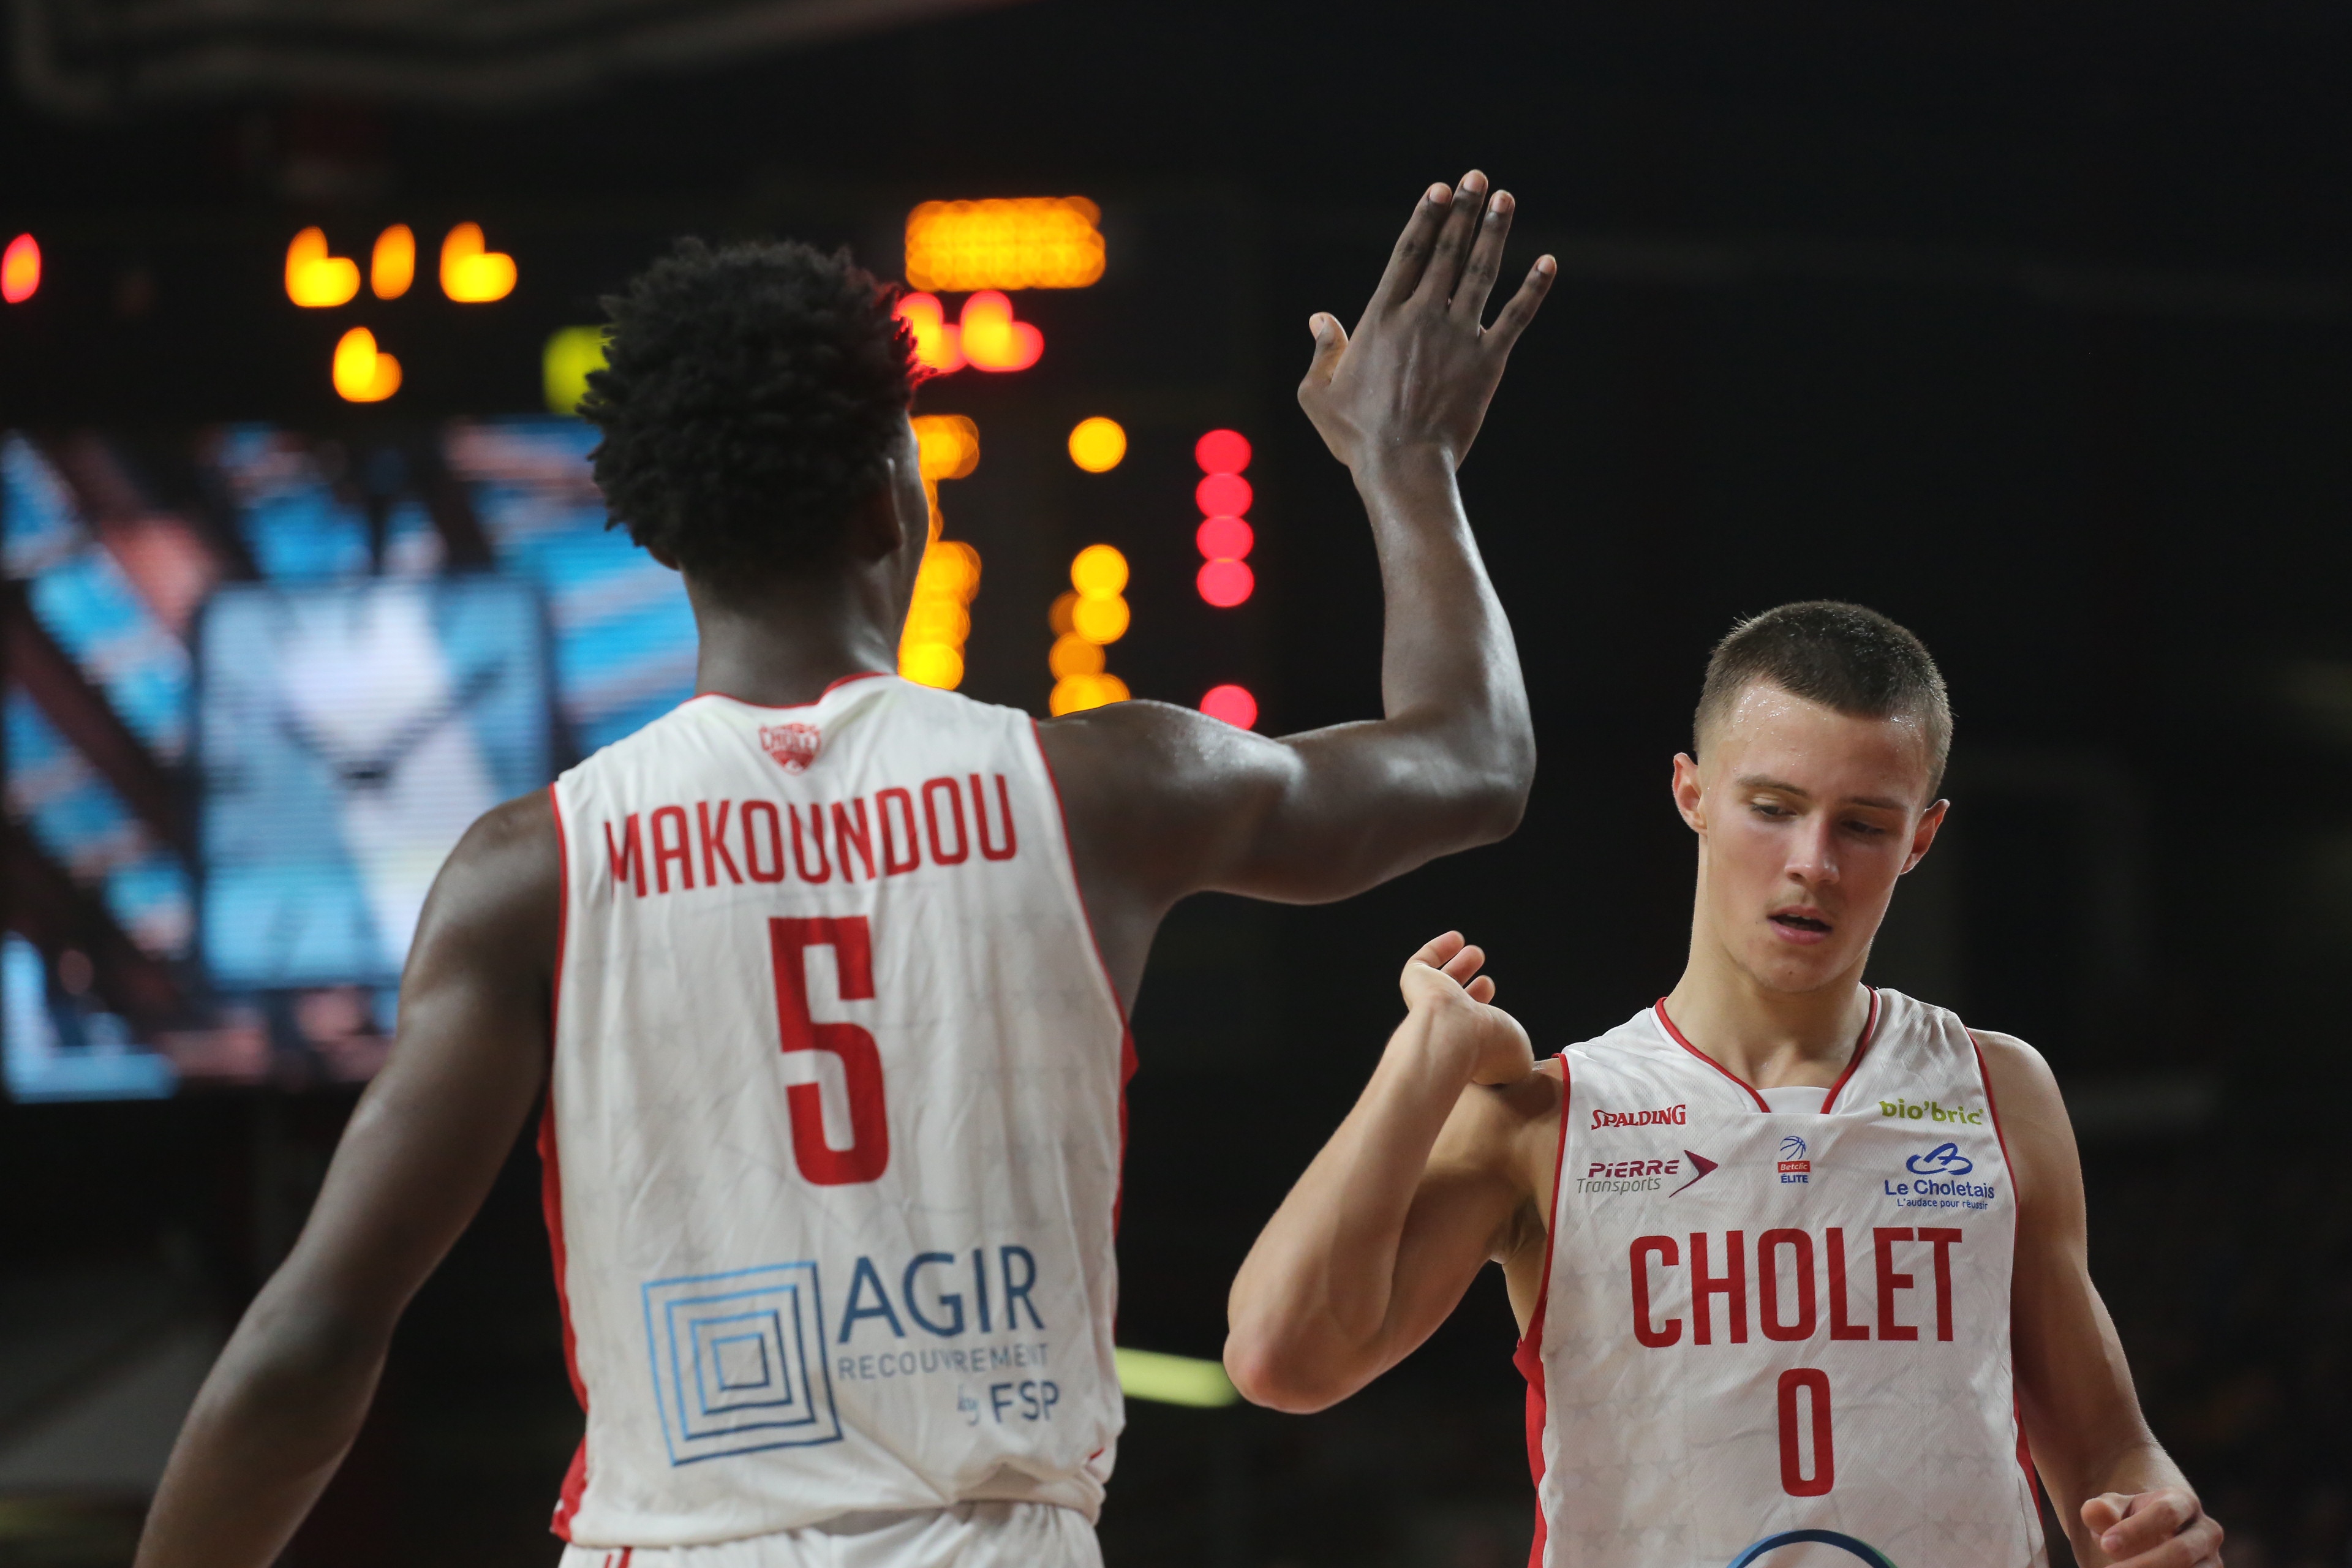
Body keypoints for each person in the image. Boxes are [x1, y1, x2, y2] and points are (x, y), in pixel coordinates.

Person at [132, 170, 1554, 1568]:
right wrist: (1404, 461)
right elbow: (1473, 763)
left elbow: (317, 1334)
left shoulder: (536, 866)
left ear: (663, 534)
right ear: (893, 500)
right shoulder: (1106, 789)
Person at [1224, 602, 2223, 1568]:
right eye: (1774, 809)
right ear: (1692, 792)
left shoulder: (1997, 1090)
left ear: (1922, 837)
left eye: (1865, 826)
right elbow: (1282, 1359)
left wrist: (2153, 1524)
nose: (1813, 864)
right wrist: (1426, 1056)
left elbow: (2107, 1454)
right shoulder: (1549, 1115)